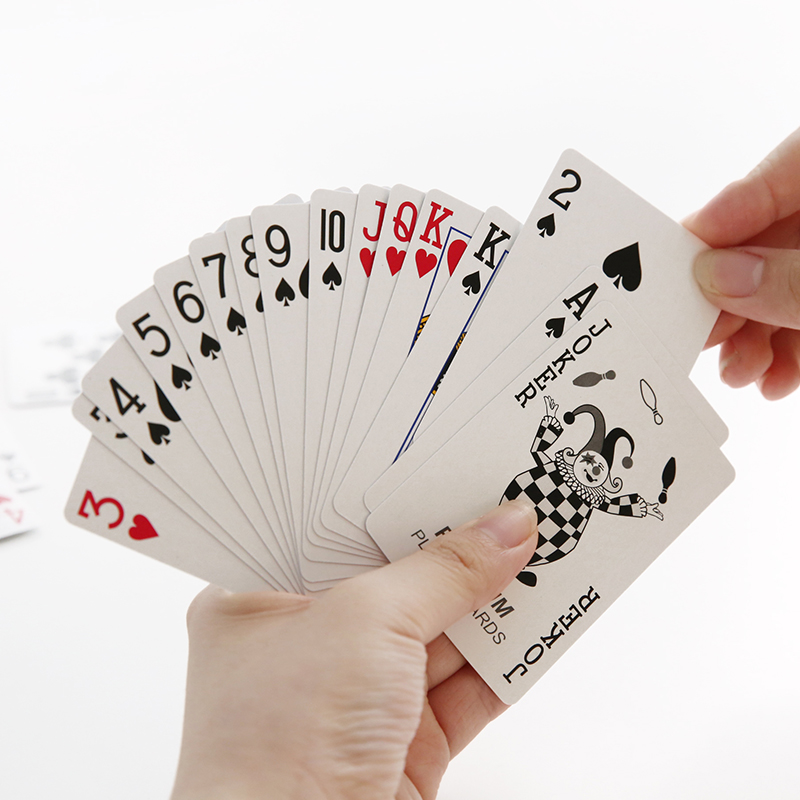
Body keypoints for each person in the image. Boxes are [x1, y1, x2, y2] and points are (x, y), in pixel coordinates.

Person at [171, 128, 800, 800]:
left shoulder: (590, 479)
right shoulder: (555, 451)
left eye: (602, 461)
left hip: (528, 556)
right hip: (501, 545)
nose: (595, 466)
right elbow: (555, 447)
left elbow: (614, 496)